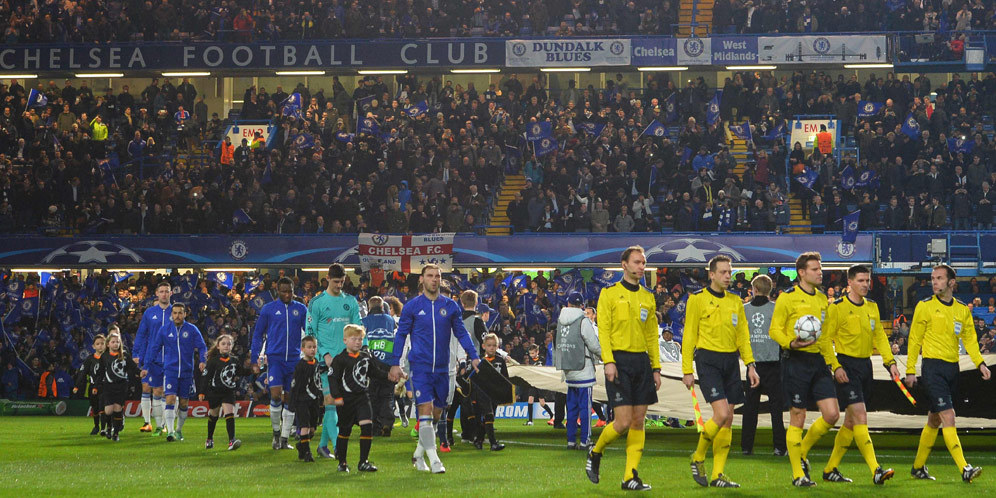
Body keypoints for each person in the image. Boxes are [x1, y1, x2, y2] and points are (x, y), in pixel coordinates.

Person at [386, 264, 481, 474]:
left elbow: (462, 334)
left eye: (437, 276)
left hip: (443, 369)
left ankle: (419, 455)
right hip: (420, 368)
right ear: (422, 279)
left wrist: (473, 356)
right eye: (430, 276)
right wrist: (396, 363)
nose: (434, 280)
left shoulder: (451, 306)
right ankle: (435, 459)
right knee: (425, 413)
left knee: (437, 415)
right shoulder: (412, 307)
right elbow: (401, 335)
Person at [905, 264, 991, 483]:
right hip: (932, 368)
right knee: (948, 417)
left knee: (934, 420)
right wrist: (910, 369)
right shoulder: (924, 306)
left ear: (951, 282)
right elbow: (914, 339)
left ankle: (917, 468)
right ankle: (965, 468)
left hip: (953, 368)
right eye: (933, 278)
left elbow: (970, 339)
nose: (934, 282)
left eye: (939, 278)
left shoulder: (962, 309)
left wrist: (980, 363)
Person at [586, 246, 661, 491]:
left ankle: (630, 476)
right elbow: (604, 331)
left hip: (641, 362)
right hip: (618, 361)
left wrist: (656, 368)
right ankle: (596, 451)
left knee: (639, 421)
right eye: (637, 262)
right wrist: (608, 361)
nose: (642, 266)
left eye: (644, 263)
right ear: (624, 265)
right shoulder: (609, 294)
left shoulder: (648, 297)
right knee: (622, 422)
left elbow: (652, 335)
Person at [683, 256, 760, 488]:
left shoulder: (735, 301)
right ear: (712, 274)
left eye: (730, 272)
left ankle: (717, 475)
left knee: (728, 420)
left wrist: (750, 364)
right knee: (721, 414)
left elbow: (742, 337)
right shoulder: (697, 300)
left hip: (730, 361)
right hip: (708, 359)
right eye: (724, 272)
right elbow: (688, 335)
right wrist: (687, 368)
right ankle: (697, 457)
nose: (728, 276)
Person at [768, 252, 839, 487]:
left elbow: (826, 336)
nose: (820, 272)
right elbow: (774, 330)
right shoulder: (787, 298)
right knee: (797, 416)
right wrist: (791, 342)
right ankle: (798, 473)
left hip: (817, 361)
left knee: (832, 414)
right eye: (815, 269)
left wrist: (834, 364)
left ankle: (802, 452)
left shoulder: (821, 299)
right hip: (795, 360)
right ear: (801, 272)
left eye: (820, 268)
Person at [821, 265, 896, 484]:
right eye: (861, 281)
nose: (865, 284)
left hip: (865, 366)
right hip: (847, 366)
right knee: (860, 416)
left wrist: (889, 362)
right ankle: (876, 469)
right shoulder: (837, 308)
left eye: (867, 280)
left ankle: (830, 469)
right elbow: (825, 340)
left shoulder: (872, 307)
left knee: (851, 423)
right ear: (850, 283)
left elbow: (880, 337)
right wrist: (835, 366)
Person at [306, 264, 362, 458]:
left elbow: (358, 328)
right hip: (326, 362)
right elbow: (310, 333)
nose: (339, 285)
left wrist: (361, 351)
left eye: (342, 281)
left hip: (347, 361)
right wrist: (324, 354)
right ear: (327, 278)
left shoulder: (351, 302)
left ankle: (322, 446)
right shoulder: (316, 302)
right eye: (336, 281)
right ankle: (339, 448)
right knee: (331, 401)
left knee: (339, 405)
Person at [251, 276, 308, 451]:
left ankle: (284, 438)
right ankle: (276, 433)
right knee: (275, 395)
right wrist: (255, 358)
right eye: (284, 291)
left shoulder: (301, 309)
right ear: (277, 291)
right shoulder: (268, 309)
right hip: (275, 359)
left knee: (290, 399)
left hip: (294, 360)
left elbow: (310, 332)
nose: (288, 294)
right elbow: (258, 334)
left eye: (290, 291)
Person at [330, 324, 391, 472]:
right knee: (345, 430)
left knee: (367, 426)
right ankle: (342, 463)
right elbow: (333, 379)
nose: (358, 342)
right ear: (345, 340)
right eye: (354, 339)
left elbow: (375, 372)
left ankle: (363, 462)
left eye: (360, 339)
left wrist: (390, 376)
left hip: (363, 397)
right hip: (345, 400)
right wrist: (337, 397)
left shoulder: (365, 357)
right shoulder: (340, 359)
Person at [145, 303, 207, 442]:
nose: (177, 316)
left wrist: (202, 360)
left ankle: (178, 430)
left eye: (180, 313)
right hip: (170, 371)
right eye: (175, 313)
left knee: (184, 403)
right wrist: (146, 366)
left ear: (185, 314)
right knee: (170, 398)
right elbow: (154, 348)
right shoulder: (164, 330)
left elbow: (202, 347)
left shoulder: (192, 330)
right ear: (171, 315)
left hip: (186, 372)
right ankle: (171, 432)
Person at [740, 275, 786, 457]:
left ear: (754, 289)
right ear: (770, 290)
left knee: (750, 408)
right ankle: (780, 447)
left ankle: (746, 447)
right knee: (776, 409)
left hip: (753, 365)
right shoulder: (776, 309)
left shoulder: (744, 310)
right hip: (774, 364)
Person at [554, 292, 601, 450]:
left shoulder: (561, 320)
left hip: (568, 369)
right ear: (582, 305)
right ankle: (584, 441)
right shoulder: (583, 320)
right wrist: (606, 356)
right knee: (585, 407)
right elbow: (593, 344)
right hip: (583, 368)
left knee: (572, 408)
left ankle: (570, 440)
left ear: (568, 303)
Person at [134, 281, 172, 434]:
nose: (164, 294)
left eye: (166, 291)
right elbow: (141, 334)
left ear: (171, 293)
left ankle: (161, 424)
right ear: (157, 293)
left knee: (161, 391)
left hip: (169, 358)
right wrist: (136, 353)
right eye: (161, 291)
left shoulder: (175, 312)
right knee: (146, 387)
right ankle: (147, 422)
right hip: (151, 358)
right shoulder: (149, 313)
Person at [199, 334, 247, 451]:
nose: (226, 346)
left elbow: (241, 372)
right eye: (223, 344)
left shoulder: (235, 360)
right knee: (213, 415)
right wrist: (202, 392)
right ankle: (209, 438)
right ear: (218, 347)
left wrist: (253, 370)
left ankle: (232, 440)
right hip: (215, 392)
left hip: (228, 392)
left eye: (229, 344)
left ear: (232, 346)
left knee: (229, 413)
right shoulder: (213, 361)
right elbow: (206, 377)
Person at [362, 296, 398, 437]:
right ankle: (387, 423)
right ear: (383, 307)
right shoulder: (391, 321)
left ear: (369, 308)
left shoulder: (363, 322)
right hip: (388, 363)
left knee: (372, 396)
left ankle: (375, 426)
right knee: (387, 395)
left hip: (371, 364)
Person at [469, 333, 508, 451]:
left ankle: (478, 440)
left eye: (494, 345)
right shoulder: (480, 361)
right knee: (489, 415)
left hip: (494, 393)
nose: (492, 348)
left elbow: (505, 378)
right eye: (489, 345)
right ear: (484, 346)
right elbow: (473, 378)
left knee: (488, 418)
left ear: (498, 346)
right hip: (482, 393)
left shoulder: (500, 360)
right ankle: (493, 443)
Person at [101, 328, 139, 442]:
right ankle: (108, 427)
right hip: (108, 386)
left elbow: (132, 367)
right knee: (108, 410)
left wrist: (140, 372)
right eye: (113, 342)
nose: (116, 344)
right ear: (108, 344)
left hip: (121, 386)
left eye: (117, 342)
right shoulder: (105, 356)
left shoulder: (125, 355)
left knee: (118, 409)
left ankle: (116, 433)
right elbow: (101, 371)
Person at [290, 336, 323, 462]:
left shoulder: (317, 364)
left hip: (314, 400)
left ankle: (301, 446)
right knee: (305, 426)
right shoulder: (300, 366)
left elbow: (317, 382)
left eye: (314, 347)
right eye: (309, 347)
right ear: (302, 349)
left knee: (313, 428)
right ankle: (307, 453)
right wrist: (293, 402)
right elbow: (295, 385)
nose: (312, 350)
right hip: (302, 400)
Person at [73, 334, 106, 436]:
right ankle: (96, 426)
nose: (100, 346)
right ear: (93, 346)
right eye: (98, 344)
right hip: (92, 387)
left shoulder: (109, 358)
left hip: (106, 386)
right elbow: (82, 373)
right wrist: (77, 386)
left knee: (103, 407)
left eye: (102, 343)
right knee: (95, 408)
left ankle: (104, 428)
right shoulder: (90, 359)